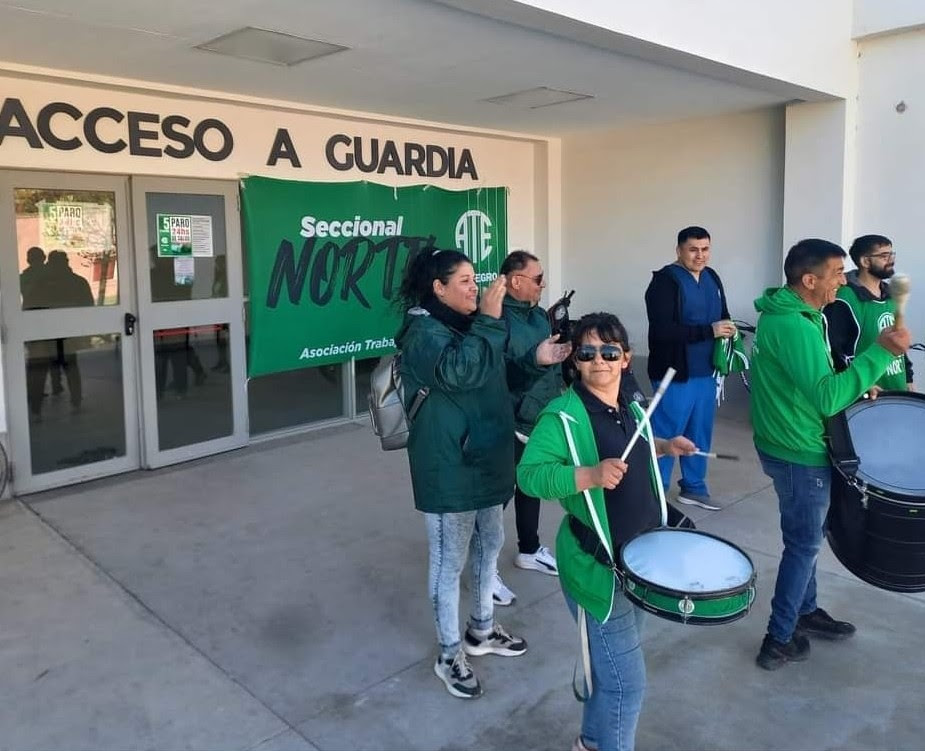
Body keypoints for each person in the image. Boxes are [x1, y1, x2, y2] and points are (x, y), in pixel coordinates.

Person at [395, 248, 569, 699]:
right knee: (448, 560)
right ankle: (449, 652)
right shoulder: (423, 332)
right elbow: (460, 371)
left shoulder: (468, 325)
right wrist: (491, 321)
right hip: (449, 465)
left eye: (476, 279)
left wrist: (538, 360)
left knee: (490, 543)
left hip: (487, 455)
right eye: (466, 281)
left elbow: (499, 370)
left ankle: (481, 630)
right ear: (439, 288)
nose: (476, 288)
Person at [517, 312, 695, 751]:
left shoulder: (632, 407)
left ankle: (592, 742)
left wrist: (665, 447)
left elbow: (629, 449)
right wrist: (589, 476)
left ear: (625, 358)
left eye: (609, 352)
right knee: (627, 685)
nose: (599, 360)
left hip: (637, 560)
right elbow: (530, 476)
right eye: (588, 353)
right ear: (575, 360)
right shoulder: (562, 417)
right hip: (599, 569)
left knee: (610, 673)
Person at [749, 238, 910, 671]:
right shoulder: (795, 325)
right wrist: (880, 355)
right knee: (802, 545)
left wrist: (856, 382)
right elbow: (825, 397)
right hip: (799, 451)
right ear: (809, 279)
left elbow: (815, 378)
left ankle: (807, 611)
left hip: (784, 441)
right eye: (838, 274)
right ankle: (778, 638)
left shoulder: (791, 312)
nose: (844, 281)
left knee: (808, 536)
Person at [644, 226, 735, 511]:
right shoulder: (664, 282)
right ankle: (654, 492)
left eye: (705, 249)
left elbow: (723, 314)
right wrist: (708, 331)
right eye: (693, 249)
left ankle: (694, 487)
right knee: (668, 432)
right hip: (675, 372)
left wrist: (728, 330)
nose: (700, 255)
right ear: (679, 250)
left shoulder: (711, 277)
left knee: (699, 432)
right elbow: (662, 331)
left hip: (706, 371)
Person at [494, 250, 563, 608]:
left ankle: (529, 549)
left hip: (540, 416)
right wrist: (534, 363)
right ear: (515, 280)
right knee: (498, 495)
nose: (543, 284)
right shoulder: (494, 319)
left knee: (530, 482)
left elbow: (546, 365)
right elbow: (499, 375)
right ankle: (483, 567)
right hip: (508, 419)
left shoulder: (538, 315)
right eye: (538, 279)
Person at [824, 234, 913, 392]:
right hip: (866, 395)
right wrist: (861, 386)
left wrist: (908, 379)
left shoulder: (891, 293)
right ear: (865, 261)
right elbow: (836, 352)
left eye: (891, 254)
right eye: (884, 256)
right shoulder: (844, 298)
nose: (890, 260)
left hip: (896, 390)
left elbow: (898, 342)